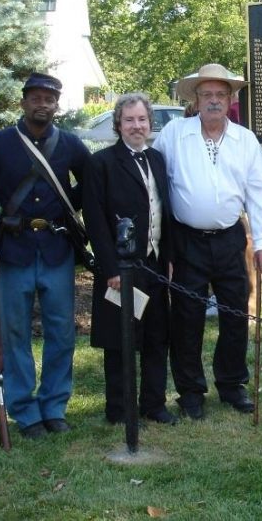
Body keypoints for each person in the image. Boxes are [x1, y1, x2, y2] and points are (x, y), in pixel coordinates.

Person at [0, 73, 90, 439]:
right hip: (13, 251)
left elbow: (91, 185)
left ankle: (54, 405)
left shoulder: (70, 145)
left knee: (61, 331)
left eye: (49, 99)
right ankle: (24, 410)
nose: (42, 104)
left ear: (57, 105)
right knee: (14, 332)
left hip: (56, 249)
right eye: (36, 98)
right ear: (23, 102)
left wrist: (66, 210)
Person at [152, 63, 262, 420]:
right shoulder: (175, 134)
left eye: (221, 95)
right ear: (195, 98)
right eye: (206, 94)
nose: (213, 101)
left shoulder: (245, 140)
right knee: (187, 318)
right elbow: (156, 184)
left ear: (230, 99)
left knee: (235, 313)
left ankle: (232, 384)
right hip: (186, 240)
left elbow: (260, 190)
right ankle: (190, 391)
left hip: (230, 239)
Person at [82, 93, 177, 426]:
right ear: (118, 124)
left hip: (154, 265)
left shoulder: (158, 159)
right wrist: (110, 269)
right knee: (120, 339)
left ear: (150, 123)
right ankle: (120, 408)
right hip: (120, 268)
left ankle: (154, 403)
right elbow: (94, 219)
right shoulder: (102, 163)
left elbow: (165, 213)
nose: (136, 126)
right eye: (129, 120)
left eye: (142, 120)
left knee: (156, 336)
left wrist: (168, 258)